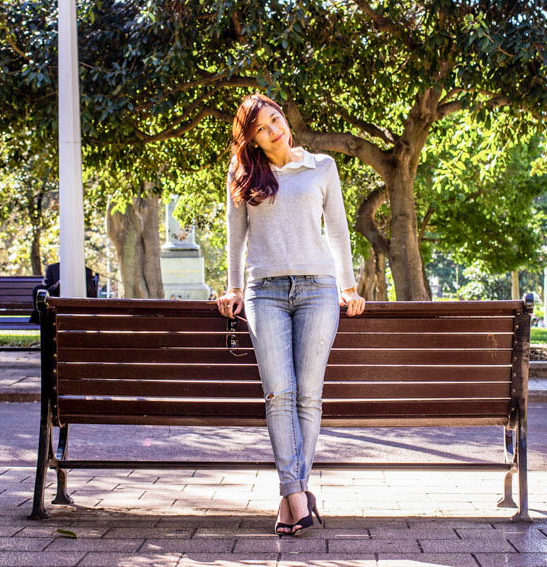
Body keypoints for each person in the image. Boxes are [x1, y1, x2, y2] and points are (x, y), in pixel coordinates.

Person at [216, 93, 365, 537]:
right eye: (261, 128)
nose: (273, 130)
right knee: (278, 394)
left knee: (308, 395)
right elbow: (235, 236)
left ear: (285, 120)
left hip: (319, 290)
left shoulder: (321, 167)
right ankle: (298, 494)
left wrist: (349, 286)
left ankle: (290, 498)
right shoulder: (243, 174)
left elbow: (337, 229)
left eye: (275, 120)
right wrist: (234, 287)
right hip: (266, 292)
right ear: (253, 139)